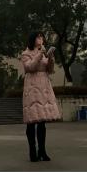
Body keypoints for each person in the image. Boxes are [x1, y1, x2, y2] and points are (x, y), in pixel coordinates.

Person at [21, 30, 61, 162]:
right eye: (38, 37)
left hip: (44, 87)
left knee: (42, 122)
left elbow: (50, 69)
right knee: (32, 121)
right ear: (33, 39)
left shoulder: (43, 53)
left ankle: (42, 151)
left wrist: (50, 58)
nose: (41, 39)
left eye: (42, 37)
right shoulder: (25, 53)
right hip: (32, 87)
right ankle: (32, 151)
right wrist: (40, 54)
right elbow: (30, 67)